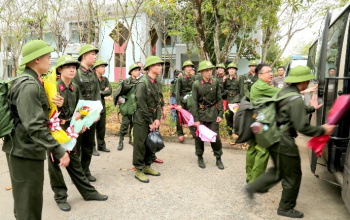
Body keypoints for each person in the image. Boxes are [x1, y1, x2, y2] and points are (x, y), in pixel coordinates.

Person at [245, 65, 336, 218]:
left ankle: (253, 187)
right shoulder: (295, 98)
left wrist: (310, 109)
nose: (307, 83)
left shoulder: (285, 93)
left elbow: (291, 113)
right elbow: (303, 128)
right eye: (307, 81)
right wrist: (323, 130)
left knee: (280, 170)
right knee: (293, 174)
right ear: (302, 82)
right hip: (283, 140)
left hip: (272, 135)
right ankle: (285, 208)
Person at [3, 40, 70, 219]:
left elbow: (36, 114)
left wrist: (55, 104)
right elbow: (34, 125)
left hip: (27, 149)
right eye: (48, 57)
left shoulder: (34, 81)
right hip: (24, 152)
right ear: (37, 60)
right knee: (28, 206)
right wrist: (58, 149)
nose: (51, 60)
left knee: (28, 201)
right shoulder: (29, 85)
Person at [48, 55, 108, 212]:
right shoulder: (53, 87)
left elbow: (80, 109)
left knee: (74, 161)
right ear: (59, 70)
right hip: (56, 129)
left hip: (70, 128)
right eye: (68, 67)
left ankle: (88, 192)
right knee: (55, 164)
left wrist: (81, 124)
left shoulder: (74, 86)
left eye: (74, 67)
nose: (72, 69)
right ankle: (60, 197)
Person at [246, 63, 280, 183]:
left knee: (252, 148)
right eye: (268, 72)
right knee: (263, 150)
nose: (271, 74)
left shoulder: (258, 85)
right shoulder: (261, 86)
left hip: (254, 118)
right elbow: (282, 93)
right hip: (261, 121)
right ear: (260, 75)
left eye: (272, 71)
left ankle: (250, 175)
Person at [72, 44, 101, 182]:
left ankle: (86, 170)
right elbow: (74, 95)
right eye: (93, 54)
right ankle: (77, 174)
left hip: (92, 112)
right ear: (84, 56)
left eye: (96, 54)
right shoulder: (76, 73)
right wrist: (81, 117)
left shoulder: (93, 72)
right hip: (80, 113)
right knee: (77, 145)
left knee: (89, 145)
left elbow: (97, 93)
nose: (95, 57)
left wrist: (97, 111)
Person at [133, 56, 163, 183]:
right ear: (151, 67)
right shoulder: (142, 83)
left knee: (151, 143)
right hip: (142, 119)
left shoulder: (157, 82)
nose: (160, 67)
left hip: (152, 117)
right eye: (158, 65)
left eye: (160, 65)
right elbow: (141, 104)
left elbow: (159, 102)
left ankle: (147, 165)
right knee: (140, 144)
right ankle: (139, 169)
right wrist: (150, 121)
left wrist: (157, 118)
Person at [192, 60, 224, 170]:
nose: (209, 72)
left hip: (213, 114)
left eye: (210, 70)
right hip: (200, 114)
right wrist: (196, 119)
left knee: (215, 136)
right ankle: (200, 156)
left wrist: (220, 113)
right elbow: (194, 102)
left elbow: (219, 99)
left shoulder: (215, 83)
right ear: (201, 72)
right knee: (199, 138)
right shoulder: (196, 84)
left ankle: (218, 157)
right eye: (206, 70)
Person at [118, 63, 141, 150]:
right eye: (135, 70)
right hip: (127, 107)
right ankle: (121, 141)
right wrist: (123, 102)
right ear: (131, 72)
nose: (137, 72)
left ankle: (131, 139)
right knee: (124, 124)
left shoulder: (140, 82)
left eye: (138, 70)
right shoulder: (126, 82)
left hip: (136, 107)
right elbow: (119, 94)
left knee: (134, 124)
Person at [93, 59, 112, 155]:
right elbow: (92, 92)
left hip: (102, 107)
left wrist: (101, 92)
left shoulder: (105, 79)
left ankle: (101, 145)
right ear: (96, 68)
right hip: (93, 107)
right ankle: (92, 147)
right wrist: (102, 92)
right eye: (102, 67)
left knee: (101, 128)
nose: (104, 69)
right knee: (92, 128)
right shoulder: (92, 79)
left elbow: (109, 91)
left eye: (104, 67)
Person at [176, 60, 197, 142]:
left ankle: (194, 134)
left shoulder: (194, 78)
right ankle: (180, 133)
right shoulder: (180, 78)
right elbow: (177, 92)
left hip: (191, 101)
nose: (189, 68)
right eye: (187, 67)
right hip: (182, 100)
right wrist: (178, 104)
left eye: (190, 67)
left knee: (191, 117)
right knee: (179, 117)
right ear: (184, 68)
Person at [223, 62, 241, 136]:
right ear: (228, 70)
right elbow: (224, 89)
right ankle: (229, 132)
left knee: (237, 117)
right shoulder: (226, 78)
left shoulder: (239, 78)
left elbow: (241, 89)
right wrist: (224, 82)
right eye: (230, 69)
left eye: (233, 69)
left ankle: (237, 132)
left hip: (236, 99)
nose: (231, 70)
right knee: (228, 116)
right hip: (229, 99)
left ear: (235, 70)